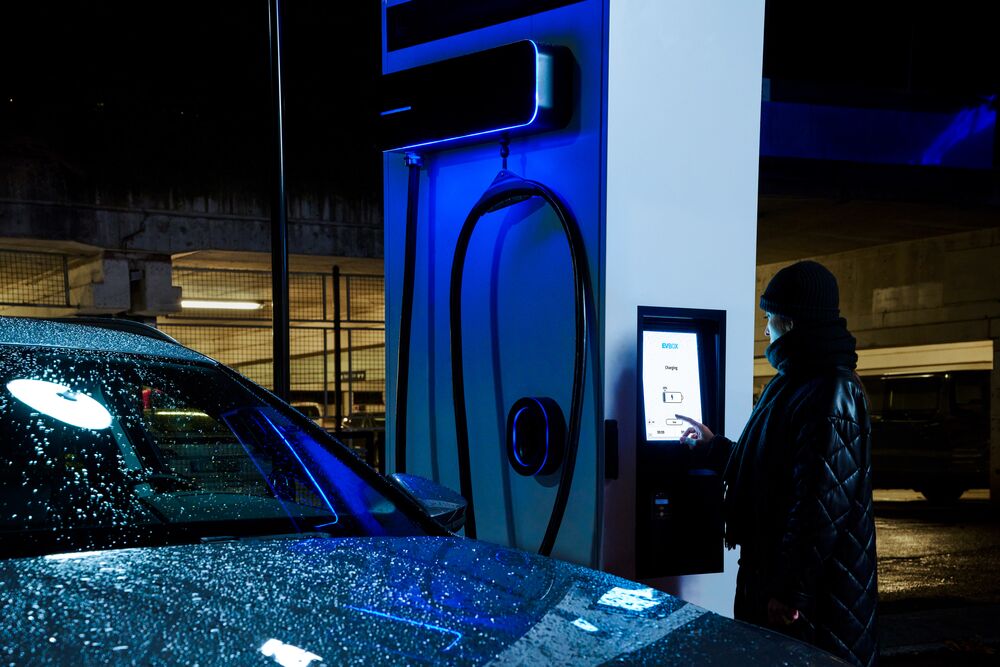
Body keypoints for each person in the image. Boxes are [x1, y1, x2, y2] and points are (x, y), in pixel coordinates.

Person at [677, 260, 878, 667]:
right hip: (776, 580)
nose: (765, 329)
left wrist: (790, 592)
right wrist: (715, 448)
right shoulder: (796, 383)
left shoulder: (831, 391)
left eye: (770, 318)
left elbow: (819, 507)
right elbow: (777, 471)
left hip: (819, 605)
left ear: (792, 322)